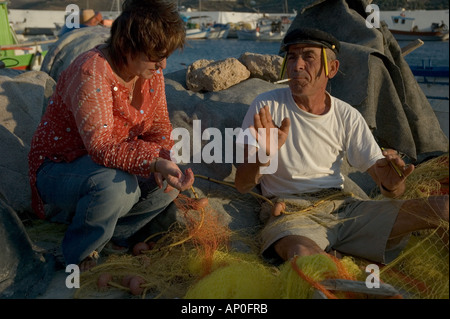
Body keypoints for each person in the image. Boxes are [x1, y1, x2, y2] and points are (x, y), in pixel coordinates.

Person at [235, 27, 449, 265]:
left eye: (308, 57)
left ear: (332, 69)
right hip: (292, 214)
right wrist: (264, 155)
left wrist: (391, 185)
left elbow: (390, 189)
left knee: (444, 208)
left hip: (345, 210)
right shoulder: (267, 106)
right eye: (292, 57)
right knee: (305, 256)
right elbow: (243, 184)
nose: (297, 66)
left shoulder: (347, 115)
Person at [28, 0, 196, 271]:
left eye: (166, 55)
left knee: (167, 184)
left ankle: (114, 233)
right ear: (127, 47)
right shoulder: (92, 71)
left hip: (113, 165)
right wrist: (152, 160)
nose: (163, 64)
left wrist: (162, 159)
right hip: (61, 167)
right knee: (116, 187)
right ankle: (78, 253)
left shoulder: (151, 73)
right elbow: (101, 147)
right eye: (155, 56)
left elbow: (160, 128)